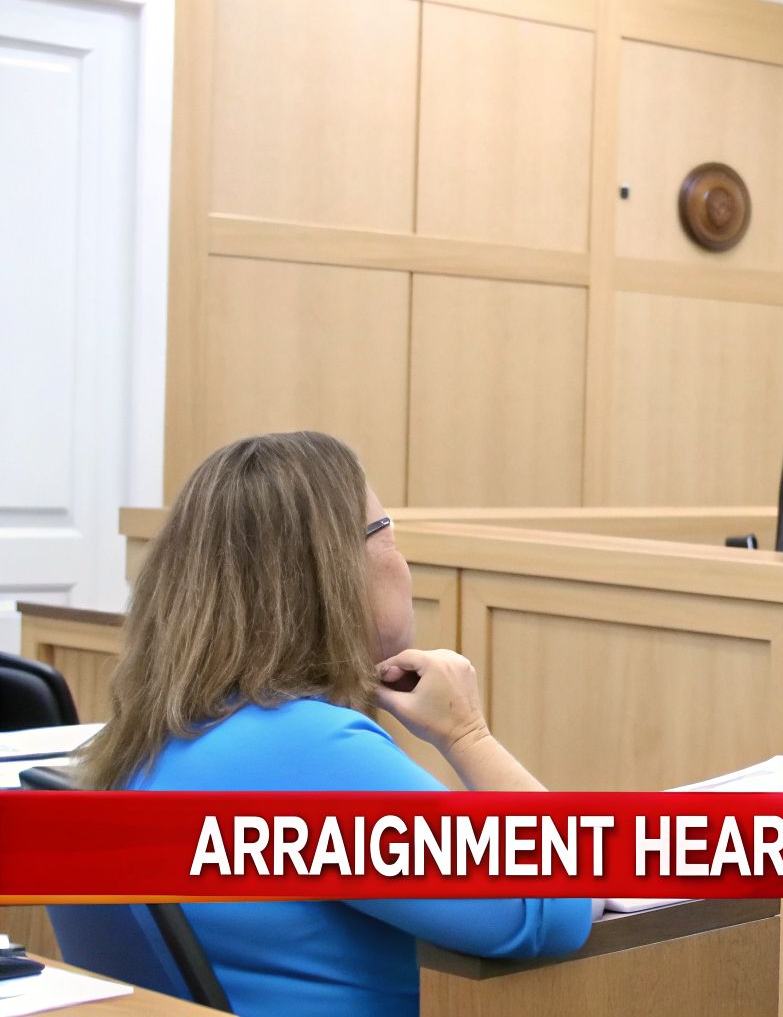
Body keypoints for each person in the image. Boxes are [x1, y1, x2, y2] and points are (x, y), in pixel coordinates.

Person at [77, 431, 592, 1017]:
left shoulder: (160, 733)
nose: (400, 561)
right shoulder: (303, 751)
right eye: (387, 534)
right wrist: (467, 733)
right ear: (335, 571)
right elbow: (556, 904)